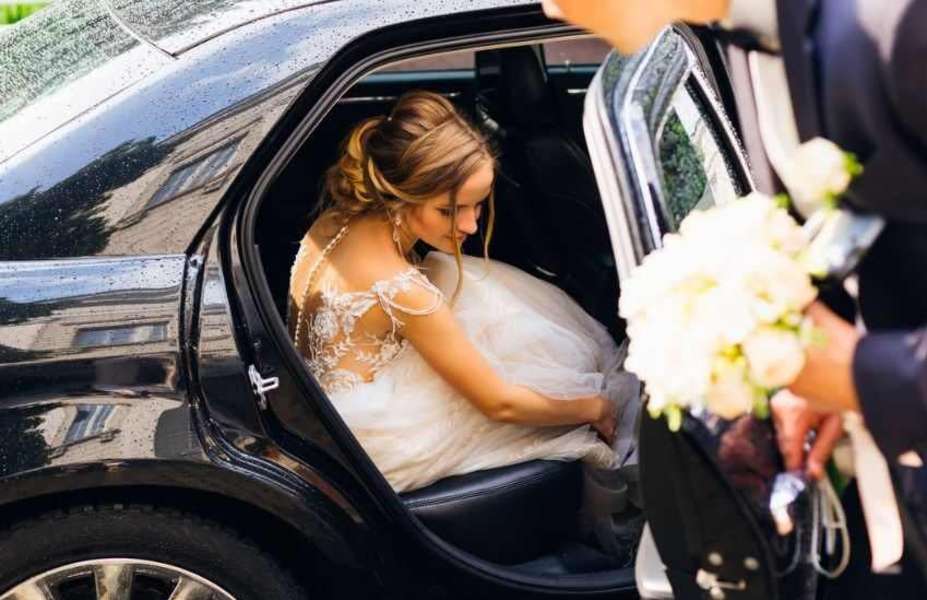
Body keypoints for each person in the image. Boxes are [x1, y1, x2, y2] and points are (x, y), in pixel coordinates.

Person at [543, 0, 927, 591]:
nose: (550, 7)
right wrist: (817, 374)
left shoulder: (901, 29)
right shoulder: (747, 46)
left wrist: (863, 374)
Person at [287, 90, 639, 494]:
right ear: (403, 193)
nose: (470, 226)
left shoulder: (334, 222)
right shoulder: (403, 290)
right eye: (449, 210)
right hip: (373, 443)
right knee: (533, 364)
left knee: (462, 284)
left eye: (479, 205)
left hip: (312, 406)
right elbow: (499, 404)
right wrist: (592, 408)